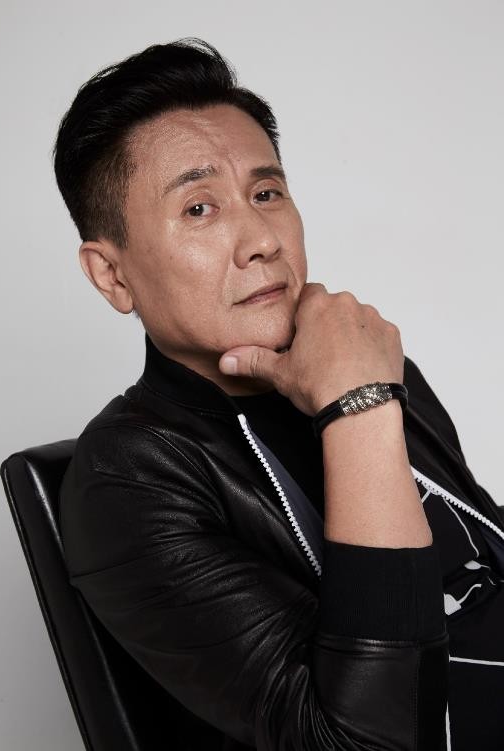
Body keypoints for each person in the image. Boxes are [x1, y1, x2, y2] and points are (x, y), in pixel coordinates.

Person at [55, 38, 504, 750]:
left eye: (266, 194)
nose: (261, 240)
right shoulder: (128, 479)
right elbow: (373, 740)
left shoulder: (365, 363)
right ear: (112, 275)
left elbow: (482, 561)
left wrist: (362, 388)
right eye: (199, 208)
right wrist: (357, 406)